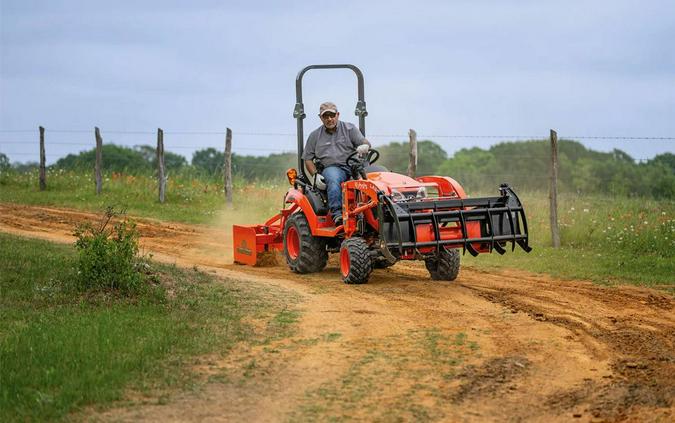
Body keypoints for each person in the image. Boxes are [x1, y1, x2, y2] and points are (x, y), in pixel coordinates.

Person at [302, 101, 370, 226]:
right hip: (332, 168)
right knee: (333, 178)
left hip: (353, 165)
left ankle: (375, 210)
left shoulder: (350, 129)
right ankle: (337, 214)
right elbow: (308, 159)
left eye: (332, 115)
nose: (329, 119)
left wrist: (364, 146)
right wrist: (315, 175)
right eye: (325, 116)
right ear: (320, 118)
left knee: (376, 175)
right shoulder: (315, 136)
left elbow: (364, 141)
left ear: (337, 115)